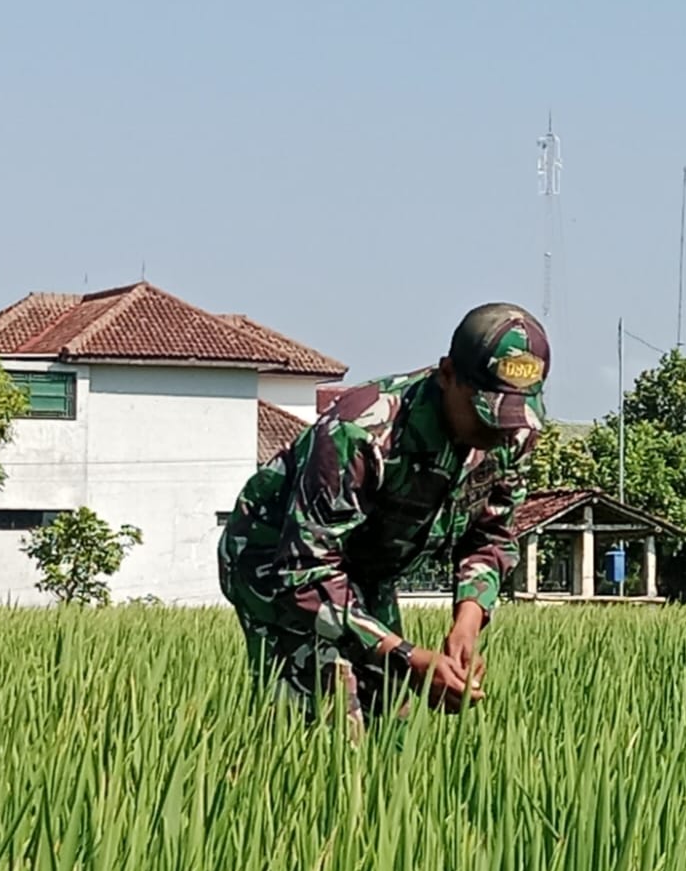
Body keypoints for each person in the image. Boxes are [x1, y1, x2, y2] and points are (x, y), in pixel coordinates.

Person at [217, 301, 549, 726]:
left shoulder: (513, 433)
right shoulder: (360, 433)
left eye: (512, 415)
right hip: (276, 562)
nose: (498, 433)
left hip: (369, 568)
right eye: (487, 412)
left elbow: (490, 538)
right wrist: (409, 656)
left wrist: (466, 624)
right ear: (446, 375)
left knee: (392, 718)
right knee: (330, 726)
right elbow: (306, 571)